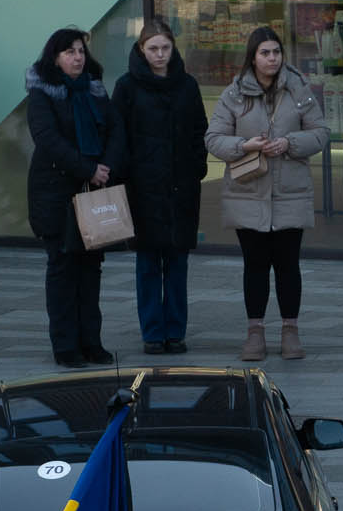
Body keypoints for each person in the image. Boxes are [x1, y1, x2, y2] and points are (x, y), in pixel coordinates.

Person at [204, 25, 329, 362]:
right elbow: (213, 138)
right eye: (265, 53)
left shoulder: (299, 90)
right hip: (248, 191)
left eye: (276, 52)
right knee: (255, 266)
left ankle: (290, 330)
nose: (272, 58)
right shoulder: (234, 94)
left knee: (288, 265)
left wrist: (290, 143)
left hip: (290, 190)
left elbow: (320, 133)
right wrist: (246, 145)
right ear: (253, 57)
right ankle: (254, 332)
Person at [26, 27, 125, 369]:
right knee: (62, 269)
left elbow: (115, 129)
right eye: (69, 52)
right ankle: (65, 346)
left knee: (91, 269)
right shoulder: (41, 94)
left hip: (94, 191)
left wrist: (106, 166)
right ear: (55, 57)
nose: (78, 57)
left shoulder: (95, 89)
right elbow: (47, 138)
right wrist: (87, 169)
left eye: (81, 51)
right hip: (56, 193)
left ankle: (91, 342)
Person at [113, 19, 208, 355]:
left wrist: (197, 168)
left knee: (178, 263)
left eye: (165, 47)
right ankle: (153, 332)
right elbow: (118, 135)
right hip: (143, 186)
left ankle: (176, 331)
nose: (160, 54)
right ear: (141, 49)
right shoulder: (127, 87)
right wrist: (124, 176)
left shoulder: (187, 85)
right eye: (153, 48)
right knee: (149, 263)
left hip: (181, 186)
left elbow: (200, 130)